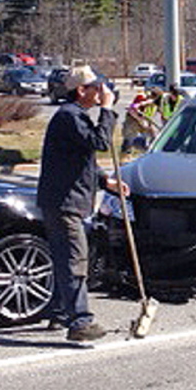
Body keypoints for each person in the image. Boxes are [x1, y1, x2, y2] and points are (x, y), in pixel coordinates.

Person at [36, 64, 125, 342]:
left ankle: (59, 311)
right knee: (75, 260)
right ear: (81, 90)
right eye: (96, 88)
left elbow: (81, 158)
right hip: (65, 204)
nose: (102, 92)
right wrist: (108, 111)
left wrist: (104, 181)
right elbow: (99, 142)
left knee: (66, 258)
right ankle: (79, 322)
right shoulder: (69, 116)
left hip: (67, 200)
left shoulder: (75, 117)